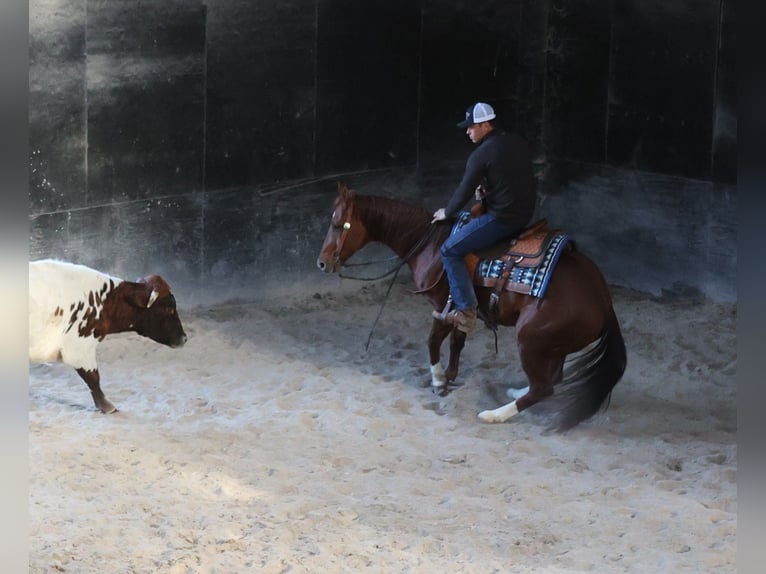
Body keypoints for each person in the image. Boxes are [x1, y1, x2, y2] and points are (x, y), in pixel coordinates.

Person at [431, 102, 537, 334]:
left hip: (503, 218)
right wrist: (490, 190)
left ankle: (466, 311)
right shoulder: (516, 142)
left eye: (471, 127)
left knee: (450, 250)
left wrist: (447, 212)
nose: (468, 132)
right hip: (526, 212)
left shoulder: (481, 154)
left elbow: (464, 190)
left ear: (485, 125)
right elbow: (514, 177)